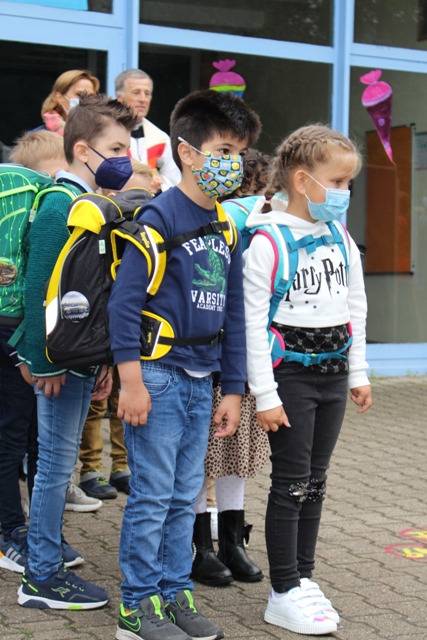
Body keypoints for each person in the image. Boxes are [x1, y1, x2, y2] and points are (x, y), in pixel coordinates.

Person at [108, 89, 261, 640]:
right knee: (152, 497)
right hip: (158, 376)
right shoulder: (159, 216)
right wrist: (130, 380)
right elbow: (124, 305)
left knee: (184, 497)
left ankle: (175, 594)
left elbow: (235, 313)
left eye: (239, 153)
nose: (233, 163)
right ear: (187, 152)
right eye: (223, 150)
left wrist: (233, 389)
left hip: (203, 381)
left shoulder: (226, 225)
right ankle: (136, 606)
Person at [243, 124, 372, 635]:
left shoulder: (340, 237)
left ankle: (304, 579)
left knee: (316, 482)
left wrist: (358, 371)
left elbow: (356, 308)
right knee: (291, 483)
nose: (344, 193)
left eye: (348, 184)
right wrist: (265, 395)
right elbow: (252, 326)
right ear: (303, 180)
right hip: (290, 379)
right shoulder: (268, 241)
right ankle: (282, 590)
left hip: (334, 376)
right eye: (337, 183)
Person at [16, 94, 138, 610]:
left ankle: (46, 560)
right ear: (84, 150)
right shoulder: (59, 204)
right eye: (117, 148)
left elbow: (92, 293)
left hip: (78, 360)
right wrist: (43, 362)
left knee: (57, 463)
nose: (126, 159)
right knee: (53, 466)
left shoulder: (90, 204)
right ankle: (41, 576)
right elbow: (38, 287)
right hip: (57, 363)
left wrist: (101, 360)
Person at [192, 149, 273, 587]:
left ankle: (231, 542)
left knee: (233, 451)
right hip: (206, 346)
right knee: (203, 453)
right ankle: (198, 546)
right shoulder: (215, 223)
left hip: (243, 349)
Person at [78, 158, 155, 500]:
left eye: (147, 195)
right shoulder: (100, 228)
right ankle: (90, 467)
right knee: (96, 401)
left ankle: (121, 465)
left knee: (123, 400)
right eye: (133, 194)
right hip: (102, 327)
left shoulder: (147, 232)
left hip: (133, 333)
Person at [115, 68, 181, 190]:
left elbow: (173, 180)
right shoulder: (106, 134)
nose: (143, 99)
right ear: (119, 97)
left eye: (147, 94)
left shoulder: (160, 138)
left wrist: (159, 187)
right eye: (136, 93)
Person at [34, 69, 99, 135]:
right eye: (79, 94)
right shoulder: (38, 137)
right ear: (60, 98)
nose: (86, 100)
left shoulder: (99, 134)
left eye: (91, 96)